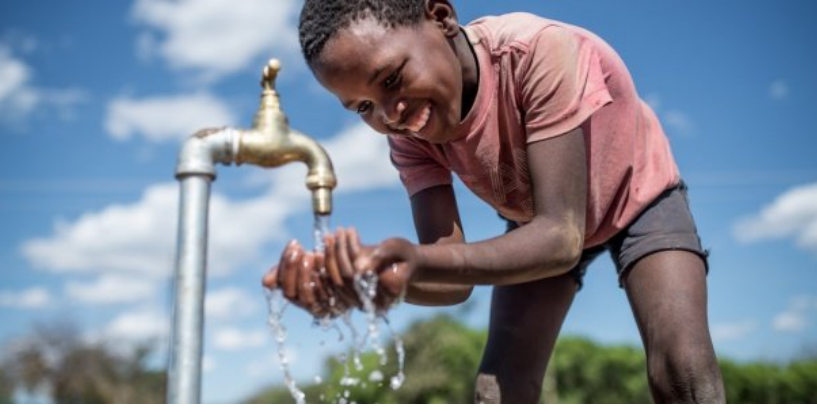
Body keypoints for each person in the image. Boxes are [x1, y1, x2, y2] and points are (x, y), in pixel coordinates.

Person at [262, 0, 725, 403]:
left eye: (392, 79)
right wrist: (372, 284)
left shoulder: (537, 52)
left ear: (440, 16)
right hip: (535, 224)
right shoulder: (410, 135)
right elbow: (451, 279)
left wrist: (415, 262)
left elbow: (562, 238)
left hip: (635, 195)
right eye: (363, 107)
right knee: (497, 391)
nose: (388, 114)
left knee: (681, 369)